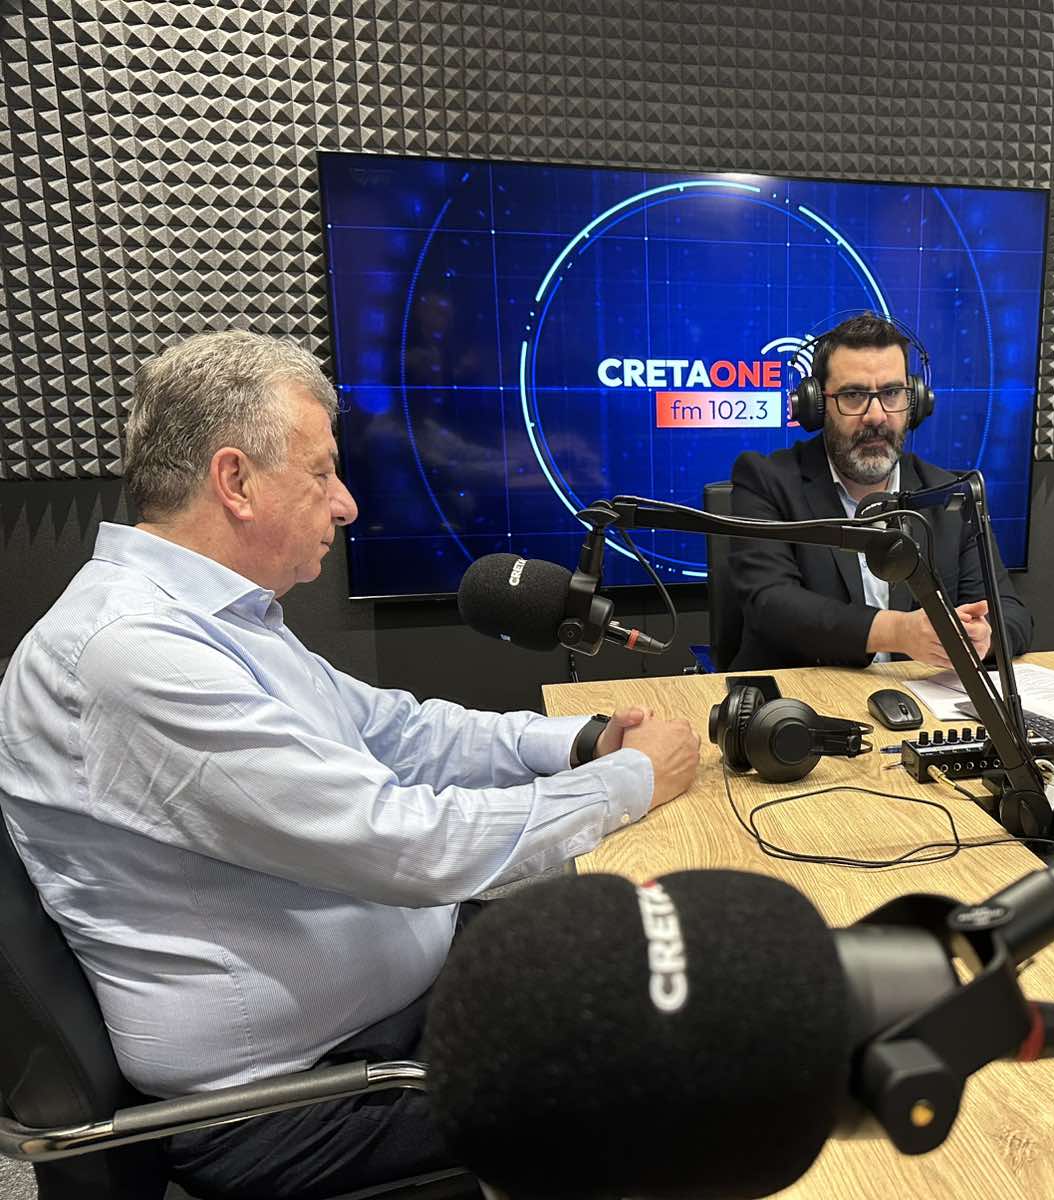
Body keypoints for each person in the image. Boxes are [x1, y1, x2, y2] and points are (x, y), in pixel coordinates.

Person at [0, 330, 701, 1198]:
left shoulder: (215, 618)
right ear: (235, 481)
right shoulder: (132, 653)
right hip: (308, 1099)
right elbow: (407, 845)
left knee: (656, 964)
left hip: (398, 1014)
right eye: (322, 473)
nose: (346, 505)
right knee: (671, 1080)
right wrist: (631, 781)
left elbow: (397, 731)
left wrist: (576, 743)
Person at [728, 313, 1033, 670]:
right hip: (803, 697)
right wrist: (898, 632)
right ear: (817, 405)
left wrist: (984, 636)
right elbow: (771, 605)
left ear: (915, 401)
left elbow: (1011, 614)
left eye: (891, 393)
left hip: (917, 698)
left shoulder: (949, 496)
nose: (876, 416)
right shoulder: (766, 481)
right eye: (854, 395)